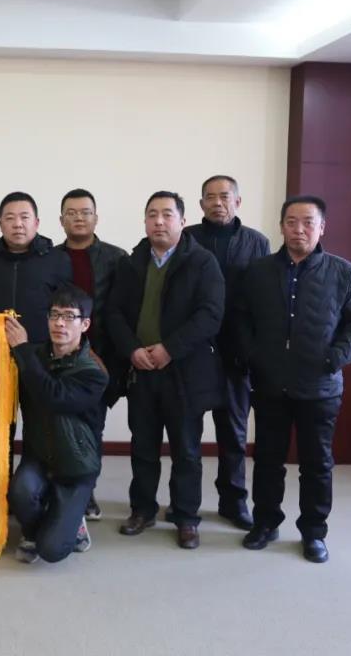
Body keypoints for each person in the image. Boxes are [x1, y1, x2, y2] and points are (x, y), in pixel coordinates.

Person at [237, 196, 351, 563]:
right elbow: (241, 318)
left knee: (317, 464)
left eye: (308, 222)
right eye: (291, 222)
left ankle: (314, 532)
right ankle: (265, 523)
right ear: (281, 226)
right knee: (267, 460)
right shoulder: (258, 272)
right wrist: (253, 355)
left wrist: (335, 358)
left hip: (320, 387)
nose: (299, 229)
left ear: (322, 227)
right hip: (270, 384)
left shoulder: (344, 273)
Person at [106, 191, 224, 549]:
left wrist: (170, 348)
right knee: (143, 446)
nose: (159, 221)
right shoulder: (131, 262)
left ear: (183, 221)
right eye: (152, 214)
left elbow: (210, 314)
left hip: (184, 373)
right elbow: (114, 312)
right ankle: (142, 510)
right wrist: (131, 350)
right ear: (145, 221)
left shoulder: (202, 262)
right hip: (141, 369)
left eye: (167, 214)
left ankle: (186, 516)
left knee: (186, 450)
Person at [185, 175, 270, 530]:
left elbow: (263, 299)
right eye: (210, 197)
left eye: (224, 196)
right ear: (201, 204)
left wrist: (254, 349)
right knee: (187, 434)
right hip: (193, 351)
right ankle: (185, 505)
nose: (217, 203)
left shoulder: (256, 242)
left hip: (236, 352)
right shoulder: (187, 237)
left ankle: (233, 502)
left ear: (238, 201)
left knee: (233, 432)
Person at [7, 287, 108, 564]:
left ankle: (73, 524)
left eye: (69, 316)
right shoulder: (35, 355)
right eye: (54, 315)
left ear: (84, 324)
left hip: (76, 465)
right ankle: (32, 531)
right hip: (40, 456)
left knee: (52, 550)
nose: (59, 323)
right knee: (19, 493)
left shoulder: (94, 371)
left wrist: (22, 350)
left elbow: (53, 397)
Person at [57, 188, 127, 521]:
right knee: (58, 426)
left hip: (99, 357)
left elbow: (123, 310)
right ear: (61, 220)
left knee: (91, 428)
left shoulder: (116, 258)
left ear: (96, 218)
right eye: (71, 213)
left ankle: (86, 493)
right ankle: (59, 490)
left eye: (85, 212)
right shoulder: (51, 258)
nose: (79, 218)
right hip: (58, 357)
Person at [0, 192, 72, 343]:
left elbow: (66, 311)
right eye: (10, 218)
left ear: (36, 223)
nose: (17, 224)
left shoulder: (58, 260)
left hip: (43, 351)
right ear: (0, 225)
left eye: (24, 217)